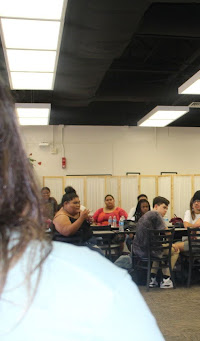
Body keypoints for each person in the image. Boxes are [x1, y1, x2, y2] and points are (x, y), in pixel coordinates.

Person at [0, 80, 164, 339]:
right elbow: (67, 233)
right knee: (107, 258)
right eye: (73, 203)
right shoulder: (64, 219)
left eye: (78, 203)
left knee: (110, 256)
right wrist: (86, 217)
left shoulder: (117, 213)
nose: (77, 205)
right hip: (77, 249)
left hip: (88, 249)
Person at [132, 196, 178, 289]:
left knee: (159, 249)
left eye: (167, 209)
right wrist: (172, 244)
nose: (165, 211)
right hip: (149, 251)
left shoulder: (146, 215)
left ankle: (152, 279)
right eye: (164, 207)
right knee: (175, 250)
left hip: (138, 250)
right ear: (156, 206)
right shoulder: (156, 215)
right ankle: (166, 279)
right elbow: (167, 233)